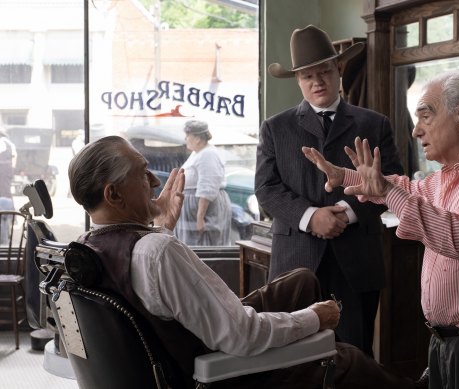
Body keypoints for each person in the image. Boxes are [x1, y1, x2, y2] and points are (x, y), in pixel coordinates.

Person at [68, 135, 414, 389]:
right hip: (213, 369)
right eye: (143, 174)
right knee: (346, 359)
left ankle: (307, 353)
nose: (155, 181)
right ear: (113, 194)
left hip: (179, 348)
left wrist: (163, 228)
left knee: (302, 281)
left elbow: (154, 295)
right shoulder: (156, 251)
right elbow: (241, 336)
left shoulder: (88, 249)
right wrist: (313, 318)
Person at [303, 71, 459, 389]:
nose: (415, 129)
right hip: (448, 344)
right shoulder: (449, 176)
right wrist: (348, 176)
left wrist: (387, 190)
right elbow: (407, 188)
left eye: (425, 116)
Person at [255, 24, 404, 356]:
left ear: (339, 70)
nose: (317, 81)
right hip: (296, 264)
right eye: (307, 76)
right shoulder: (275, 128)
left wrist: (348, 214)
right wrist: (311, 217)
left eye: (323, 72)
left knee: (354, 357)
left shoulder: (374, 123)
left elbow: (393, 180)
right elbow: (266, 189)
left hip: (357, 260)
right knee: (294, 360)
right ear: (298, 81)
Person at [174, 120, 231, 246]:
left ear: (198, 138)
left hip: (205, 211)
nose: (185, 139)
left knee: (204, 244)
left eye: (188, 135)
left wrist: (200, 218)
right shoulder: (197, 153)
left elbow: (207, 188)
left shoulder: (208, 154)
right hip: (193, 210)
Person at [0, 127, 17, 245]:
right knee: (7, 194)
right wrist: (12, 169)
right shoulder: (9, 143)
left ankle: (9, 216)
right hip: (7, 170)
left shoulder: (2, 142)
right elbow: (15, 156)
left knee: (4, 194)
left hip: (2, 170)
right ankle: (12, 217)